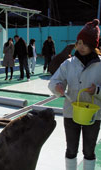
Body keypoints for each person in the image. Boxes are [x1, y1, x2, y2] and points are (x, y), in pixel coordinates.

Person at [48, 19, 101, 170]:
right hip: (71, 113)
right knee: (71, 150)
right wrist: (58, 86)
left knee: (89, 151)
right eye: (79, 42)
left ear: (93, 45)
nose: (81, 46)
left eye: (86, 43)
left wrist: (97, 90)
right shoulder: (69, 63)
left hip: (93, 115)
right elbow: (54, 81)